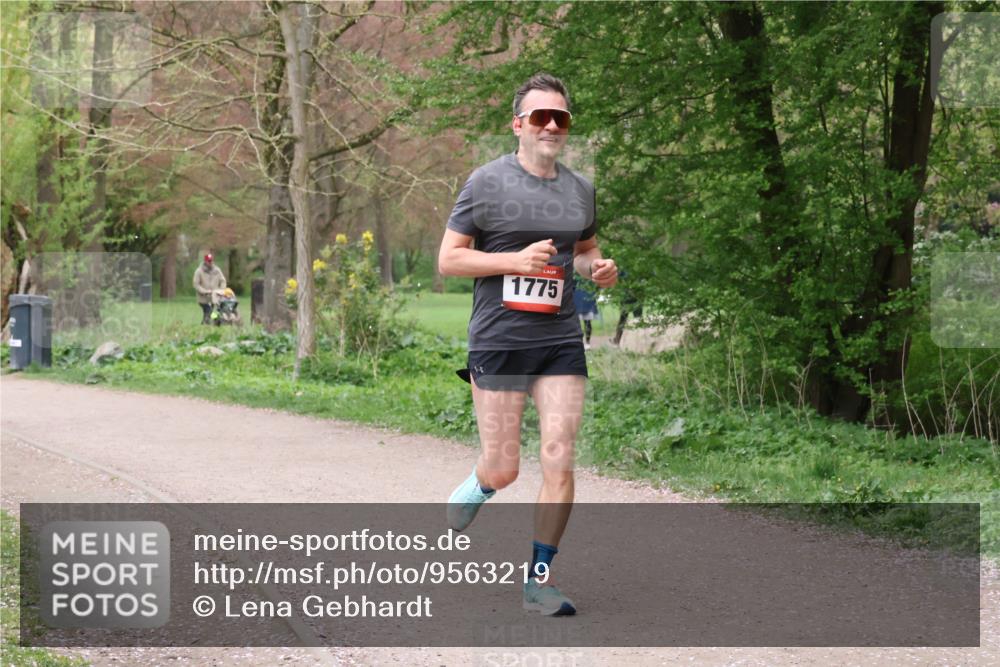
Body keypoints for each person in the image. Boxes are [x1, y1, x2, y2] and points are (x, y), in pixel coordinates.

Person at [438, 73, 617, 616]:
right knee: (505, 468)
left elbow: (583, 249)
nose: (551, 125)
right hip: (500, 340)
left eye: (560, 117)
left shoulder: (580, 189)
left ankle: (539, 581)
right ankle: (480, 484)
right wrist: (513, 261)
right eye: (540, 116)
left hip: (559, 339)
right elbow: (449, 260)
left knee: (560, 455)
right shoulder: (486, 183)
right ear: (518, 124)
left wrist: (597, 268)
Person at [193, 253, 227, 325]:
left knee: (208, 313)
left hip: (214, 297)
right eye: (208, 261)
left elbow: (223, 281)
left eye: (211, 261)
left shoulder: (217, 270)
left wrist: (220, 290)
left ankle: (205, 324)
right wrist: (204, 291)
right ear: (205, 261)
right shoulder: (199, 271)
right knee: (209, 311)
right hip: (203, 298)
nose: (210, 262)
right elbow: (196, 284)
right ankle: (217, 321)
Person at [612, 269, 643, 346]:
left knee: (638, 319)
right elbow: (617, 278)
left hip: (636, 297)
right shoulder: (624, 268)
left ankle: (640, 340)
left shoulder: (639, 268)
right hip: (626, 298)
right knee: (623, 319)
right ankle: (617, 339)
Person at [572, 276, 599, 349]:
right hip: (585, 298)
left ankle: (585, 343)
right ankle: (586, 343)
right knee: (585, 322)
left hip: (580, 298)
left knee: (579, 323)